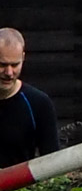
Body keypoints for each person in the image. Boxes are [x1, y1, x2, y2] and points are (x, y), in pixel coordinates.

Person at [0, 28, 58, 166]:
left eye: (15, 65)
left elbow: (53, 162)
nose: (9, 72)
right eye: (2, 65)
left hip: (21, 186)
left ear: (23, 58)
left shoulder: (38, 103)